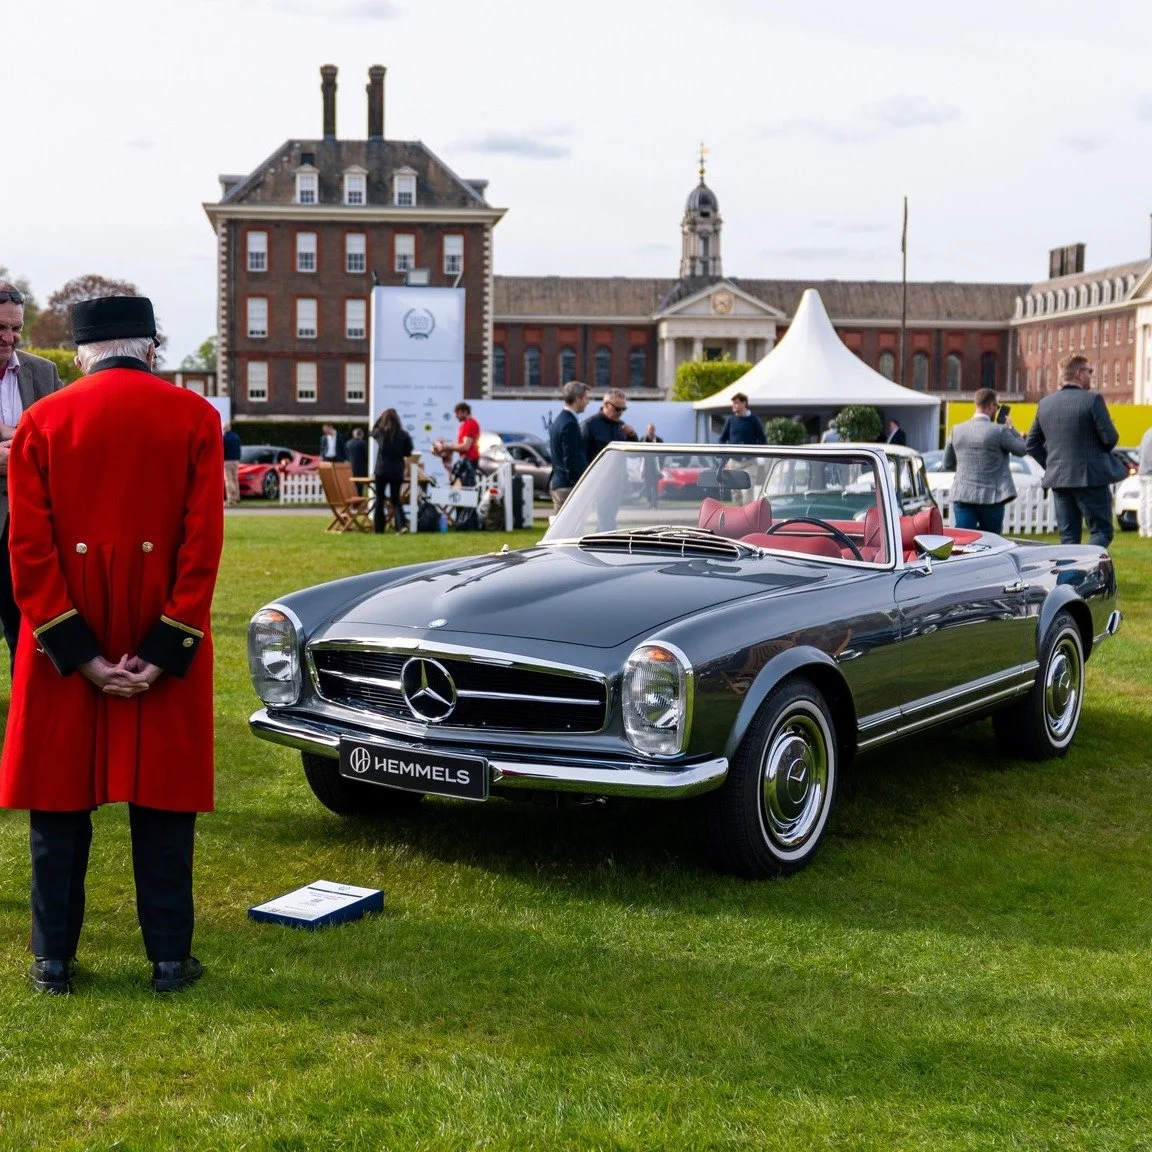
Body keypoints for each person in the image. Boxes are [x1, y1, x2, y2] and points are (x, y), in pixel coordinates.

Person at [0, 295, 224, 996]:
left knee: (59, 805)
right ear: (150, 348)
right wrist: (165, 647)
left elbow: (28, 553)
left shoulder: (40, 422)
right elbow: (202, 547)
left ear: (80, 353)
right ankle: (167, 960)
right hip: (162, 631)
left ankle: (53, 961)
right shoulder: (195, 417)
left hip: (65, 640)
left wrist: (81, 654)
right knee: (163, 803)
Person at [0, 282, 64, 672]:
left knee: (24, 629)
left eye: (16, 328)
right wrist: (25, 439)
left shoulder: (44, 373)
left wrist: (16, 445)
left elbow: (63, 442)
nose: (8, 338)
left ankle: (25, 703)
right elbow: (38, 441)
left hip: (27, 527)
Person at [1025, 354, 1119, 547]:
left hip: (1059, 479)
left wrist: (1052, 464)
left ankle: (1069, 576)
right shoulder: (1092, 400)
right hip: (1090, 477)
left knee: (1068, 539)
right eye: (1089, 371)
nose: (1091, 375)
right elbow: (1110, 438)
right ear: (1079, 374)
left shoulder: (1045, 404)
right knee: (1102, 531)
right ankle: (1085, 570)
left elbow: (1032, 444)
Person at [941, 389, 1027, 534]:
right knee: (991, 545)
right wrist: (1011, 428)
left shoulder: (957, 430)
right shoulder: (1000, 431)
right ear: (991, 406)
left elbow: (947, 464)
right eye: (997, 407)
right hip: (991, 497)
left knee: (964, 543)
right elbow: (1023, 449)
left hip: (962, 494)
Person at [548, 380, 590, 510]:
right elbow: (571, 457)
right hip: (568, 487)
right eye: (586, 398)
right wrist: (576, 482)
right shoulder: (569, 423)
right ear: (578, 399)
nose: (587, 402)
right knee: (571, 529)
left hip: (560, 482)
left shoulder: (559, 420)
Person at [371, 408, 413, 533]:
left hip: (381, 470)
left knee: (379, 499)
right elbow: (408, 451)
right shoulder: (404, 434)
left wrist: (380, 416)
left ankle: (379, 528)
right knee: (396, 499)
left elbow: (372, 430)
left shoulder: (380, 433)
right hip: (396, 470)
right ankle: (401, 526)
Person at [583, 388, 637, 463]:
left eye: (623, 409)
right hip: (599, 473)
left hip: (619, 473)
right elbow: (580, 457)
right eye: (617, 409)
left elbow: (634, 455)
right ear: (606, 405)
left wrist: (632, 436)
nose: (621, 412)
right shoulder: (589, 426)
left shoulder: (622, 426)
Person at [436, 402, 481, 487]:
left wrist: (446, 447)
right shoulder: (464, 425)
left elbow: (465, 446)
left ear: (465, 412)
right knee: (458, 486)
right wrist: (448, 447)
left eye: (458, 413)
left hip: (470, 460)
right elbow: (462, 445)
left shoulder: (470, 424)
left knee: (463, 488)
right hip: (465, 460)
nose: (456, 416)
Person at [641, 422, 664, 509]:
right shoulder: (643, 440)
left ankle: (655, 503)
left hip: (655, 468)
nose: (651, 431)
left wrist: (661, 467)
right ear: (647, 430)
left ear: (654, 430)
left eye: (652, 429)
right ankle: (649, 502)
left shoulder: (659, 441)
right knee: (647, 486)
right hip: (646, 467)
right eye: (649, 429)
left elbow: (662, 455)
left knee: (655, 487)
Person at [222, 422, 242, 506]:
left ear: (224, 429)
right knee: (235, 479)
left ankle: (230, 499)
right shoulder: (237, 437)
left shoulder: (224, 438)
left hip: (227, 461)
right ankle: (237, 497)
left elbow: (222, 450)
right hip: (236, 460)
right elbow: (239, 449)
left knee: (228, 480)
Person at [346, 427, 369, 495]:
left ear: (353, 435)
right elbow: (366, 456)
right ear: (362, 435)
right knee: (359, 488)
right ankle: (358, 503)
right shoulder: (363, 443)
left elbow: (346, 456)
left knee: (351, 486)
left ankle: (353, 502)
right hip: (361, 469)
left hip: (350, 468)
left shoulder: (348, 443)